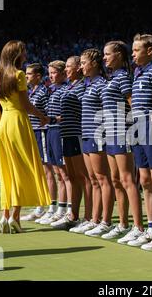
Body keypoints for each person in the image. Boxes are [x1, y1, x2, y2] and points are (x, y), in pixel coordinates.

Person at [0, 40, 51, 234]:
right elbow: (25, 106)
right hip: (19, 122)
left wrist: (2, 127)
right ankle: (15, 216)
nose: (25, 56)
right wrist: (42, 116)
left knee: (7, 170)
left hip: (4, 124)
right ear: (16, 55)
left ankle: (4, 215)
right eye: (23, 52)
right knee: (23, 169)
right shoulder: (19, 75)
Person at [120, 34, 152, 247]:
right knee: (144, 180)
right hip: (137, 127)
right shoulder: (138, 74)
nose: (132, 54)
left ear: (149, 51)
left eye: (136, 50)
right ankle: (151, 228)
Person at [100, 41, 142, 240]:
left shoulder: (124, 77)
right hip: (110, 133)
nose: (104, 57)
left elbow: (133, 104)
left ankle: (138, 226)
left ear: (118, 54)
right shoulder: (112, 78)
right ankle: (123, 224)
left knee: (127, 180)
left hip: (123, 132)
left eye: (107, 54)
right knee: (116, 180)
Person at [77, 48, 115, 237]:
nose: (81, 66)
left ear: (94, 63)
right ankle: (94, 219)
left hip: (97, 135)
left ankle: (106, 221)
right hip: (86, 135)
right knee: (92, 180)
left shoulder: (102, 84)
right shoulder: (89, 84)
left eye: (84, 63)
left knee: (102, 178)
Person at [36, 61, 74, 228]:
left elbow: (64, 116)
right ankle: (59, 208)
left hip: (59, 131)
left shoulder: (65, 90)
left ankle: (67, 210)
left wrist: (49, 119)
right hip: (51, 130)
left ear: (63, 73)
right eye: (49, 72)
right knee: (59, 174)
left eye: (53, 72)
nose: (50, 76)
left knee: (65, 174)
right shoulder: (51, 90)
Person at [58, 56, 94, 232]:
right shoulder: (69, 87)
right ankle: (73, 215)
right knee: (72, 178)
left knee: (84, 178)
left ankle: (89, 217)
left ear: (78, 68)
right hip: (66, 136)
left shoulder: (82, 87)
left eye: (68, 66)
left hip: (78, 135)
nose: (66, 69)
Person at [20, 63, 51, 222]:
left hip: (41, 133)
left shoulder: (43, 91)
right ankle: (41, 206)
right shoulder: (30, 92)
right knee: (38, 172)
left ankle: (48, 207)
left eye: (29, 74)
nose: (26, 76)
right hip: (32, 133)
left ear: (38, 76)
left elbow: (47, 114)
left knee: (46, 171)